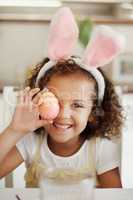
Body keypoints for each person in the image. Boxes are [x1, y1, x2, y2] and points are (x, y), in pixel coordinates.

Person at [0, 7, 125, 188]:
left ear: (93, 113)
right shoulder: (30, 142)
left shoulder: (100, 148)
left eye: (77, 105)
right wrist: (15, 130)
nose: (63, 114)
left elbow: (115, 196)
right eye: (54, 101)